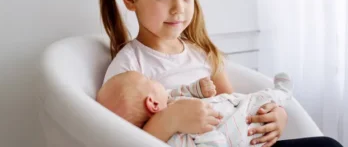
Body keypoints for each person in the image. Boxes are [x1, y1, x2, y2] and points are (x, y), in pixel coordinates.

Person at [97, 0, 342, 147]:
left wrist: (275, 116)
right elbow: (123, 140)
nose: (178, 8)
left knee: (327, 145)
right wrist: (169, 119)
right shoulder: (129, 68)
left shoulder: (202, 53)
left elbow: (234, 106)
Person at [97, 71, 293, 147]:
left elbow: (179, 92)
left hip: (236, 110)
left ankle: (279, 96)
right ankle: (282, 92)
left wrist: (197, 88)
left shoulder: (167, 100)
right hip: (243, 130)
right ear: (152, 104)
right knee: (257, 100)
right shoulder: (180, 136)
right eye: (150, 81)